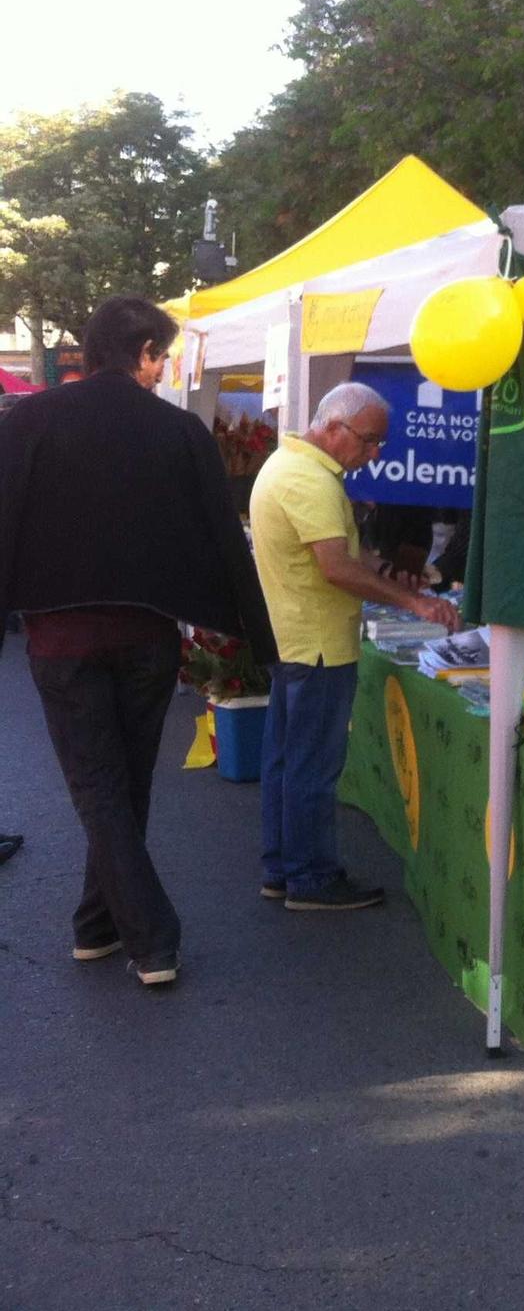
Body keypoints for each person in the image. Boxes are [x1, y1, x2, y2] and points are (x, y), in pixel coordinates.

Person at [0, 295, 276, 987]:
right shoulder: (181, 432)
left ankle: (103, 927)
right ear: (146, 352)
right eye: (160, 358)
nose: (161, 372)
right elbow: (222, 537)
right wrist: (255, 638)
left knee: (100, 786)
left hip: (59, 638)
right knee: (124, 782)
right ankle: (146, 937)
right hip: (149, 635)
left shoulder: (26, 421)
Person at [251, 383, 460, 912]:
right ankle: (310, 876)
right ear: (334, 427)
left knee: (286, 761)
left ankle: (284, 867)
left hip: (293, 637)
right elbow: (336, 566)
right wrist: (414, 605)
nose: (374, 454)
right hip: (317, 645)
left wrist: (389, 573)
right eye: (369, 441)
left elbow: (345, 552)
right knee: (311, 768)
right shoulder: (309, 479)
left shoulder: (293, 466)